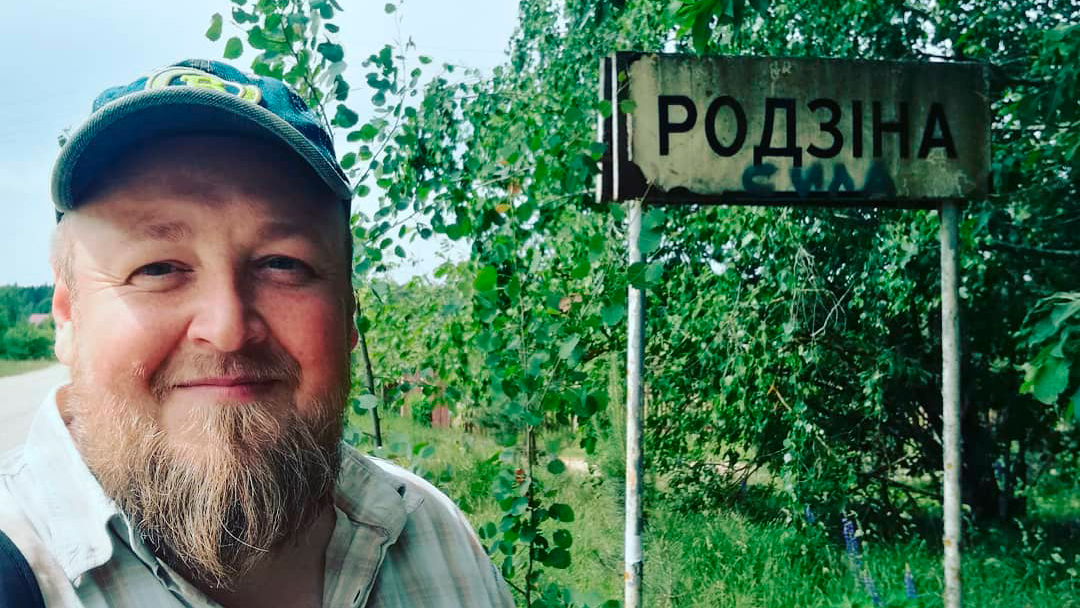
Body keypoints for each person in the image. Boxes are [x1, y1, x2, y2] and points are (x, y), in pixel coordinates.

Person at [0, 59, 514, 607]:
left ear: (349, 312)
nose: (227, 329)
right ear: (68, 315)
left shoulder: (436, 534)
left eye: (283, 264)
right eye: (156, 268)